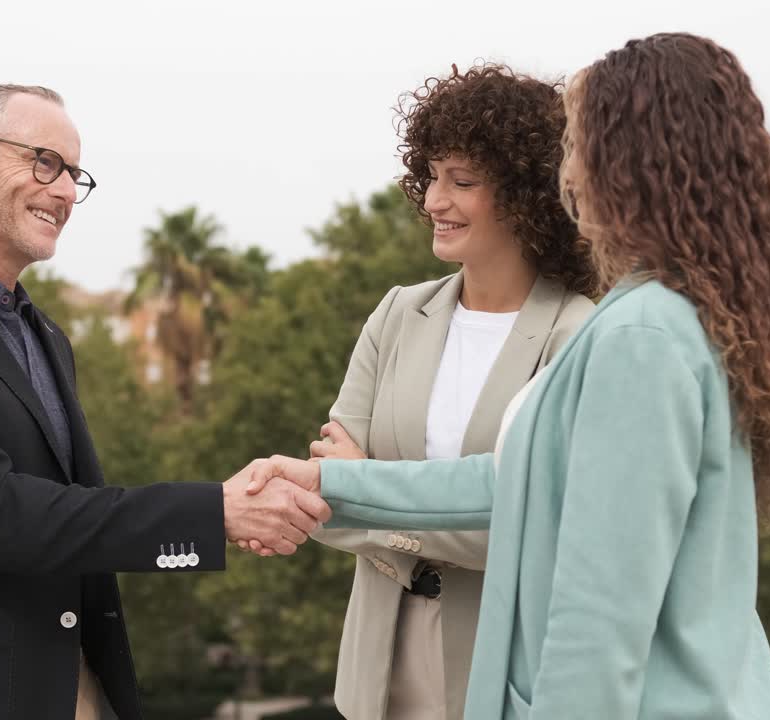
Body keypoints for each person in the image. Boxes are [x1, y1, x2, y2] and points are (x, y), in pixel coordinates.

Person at [247, 34, 770, 719]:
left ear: (626, 162)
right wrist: (332, 482)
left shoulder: (639, 338)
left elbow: (598, 617)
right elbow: (515, 484)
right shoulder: (667, 318)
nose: (569, 171)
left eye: (579, 144)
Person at [0, 84, 328, 720]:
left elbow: (73, 517)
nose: (65, 191)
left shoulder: (46, 336)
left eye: (73, 173)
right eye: (45, 162)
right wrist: (214, 513)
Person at [245, 63, 597, 720]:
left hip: (502, 666)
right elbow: (326, 497)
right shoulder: (398, 314)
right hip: (375, 668)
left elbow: (536, 532)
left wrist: (365, 490)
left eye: (461, 181)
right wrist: (360, 492)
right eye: (432, 176)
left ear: (527, 194)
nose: (435, 200)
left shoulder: (578, 336)